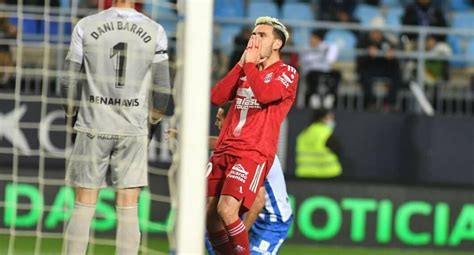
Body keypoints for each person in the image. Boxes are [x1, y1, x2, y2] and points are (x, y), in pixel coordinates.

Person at [60, 0, 171, 254]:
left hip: (93, 124)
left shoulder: (86, 25)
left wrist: (71, 115)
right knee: (128, 205)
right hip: (133, 127)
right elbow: (163, 88)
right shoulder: (155, 30)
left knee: (83, 204)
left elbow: (68, 81)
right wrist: (153, 120)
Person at [207, 16, 298, 255]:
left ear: (277, 44)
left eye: (262, 35)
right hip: (225, 148)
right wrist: (240, 65)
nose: (254, 39)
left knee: (227, 210)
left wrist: (249, 66)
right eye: (253, 34)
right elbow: (216, 98)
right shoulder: (246, 70)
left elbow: (265, 95)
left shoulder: (286, 72)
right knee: (209, 217)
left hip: (252, 152)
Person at [167, 104, 293, 255]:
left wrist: (240, 234)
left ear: (233, 121)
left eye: (219, 119)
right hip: (248, 214)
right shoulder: (231, 149)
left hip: (271, 221)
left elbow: (258, 201)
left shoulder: (255, 153)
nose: (216, 124)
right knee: (212, 232)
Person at [356, 16, 401, 110]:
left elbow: (397, 51)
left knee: (397, 74)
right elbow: (358, 59)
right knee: (364, 76)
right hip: (368, 67)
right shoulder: (363, 40)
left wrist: (392, 56)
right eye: (374, 32)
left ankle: (389, 103)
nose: (376, 34)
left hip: (383, 67)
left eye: (378, 32)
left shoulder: (388, 41)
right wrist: (367, 53)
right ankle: (371, 103)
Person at [295, 109, 342, 178]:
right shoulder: (325, 134)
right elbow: (339, 150)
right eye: (329, 118)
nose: (331, 121)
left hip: (305, 175)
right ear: (322, 118)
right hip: (327, 175)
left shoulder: (304, 134)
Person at [300, 29, 340, 109]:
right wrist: (320, 55)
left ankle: (330, 96)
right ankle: (314, 97)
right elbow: (306, 61)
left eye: (313, 38)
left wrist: (325, 51)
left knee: (337, 74)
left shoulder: (327, 46)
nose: (311, 40)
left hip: (325, 71)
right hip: (311, 72)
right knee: (314, 75)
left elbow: (331, 59)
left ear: (319, 39)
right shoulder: (306, 48)